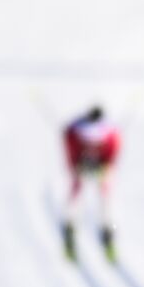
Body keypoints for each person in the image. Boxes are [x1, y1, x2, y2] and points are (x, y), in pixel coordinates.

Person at [61, 105, 120, 263]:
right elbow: (70, 153)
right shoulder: (73, 133)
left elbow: (112, 155)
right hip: (80, 168)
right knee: (75, 199)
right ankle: (69, 232)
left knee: (105, 202)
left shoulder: (111, 134)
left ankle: (108, 234)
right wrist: (76, 166)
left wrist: (106, 167)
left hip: (101, 169)